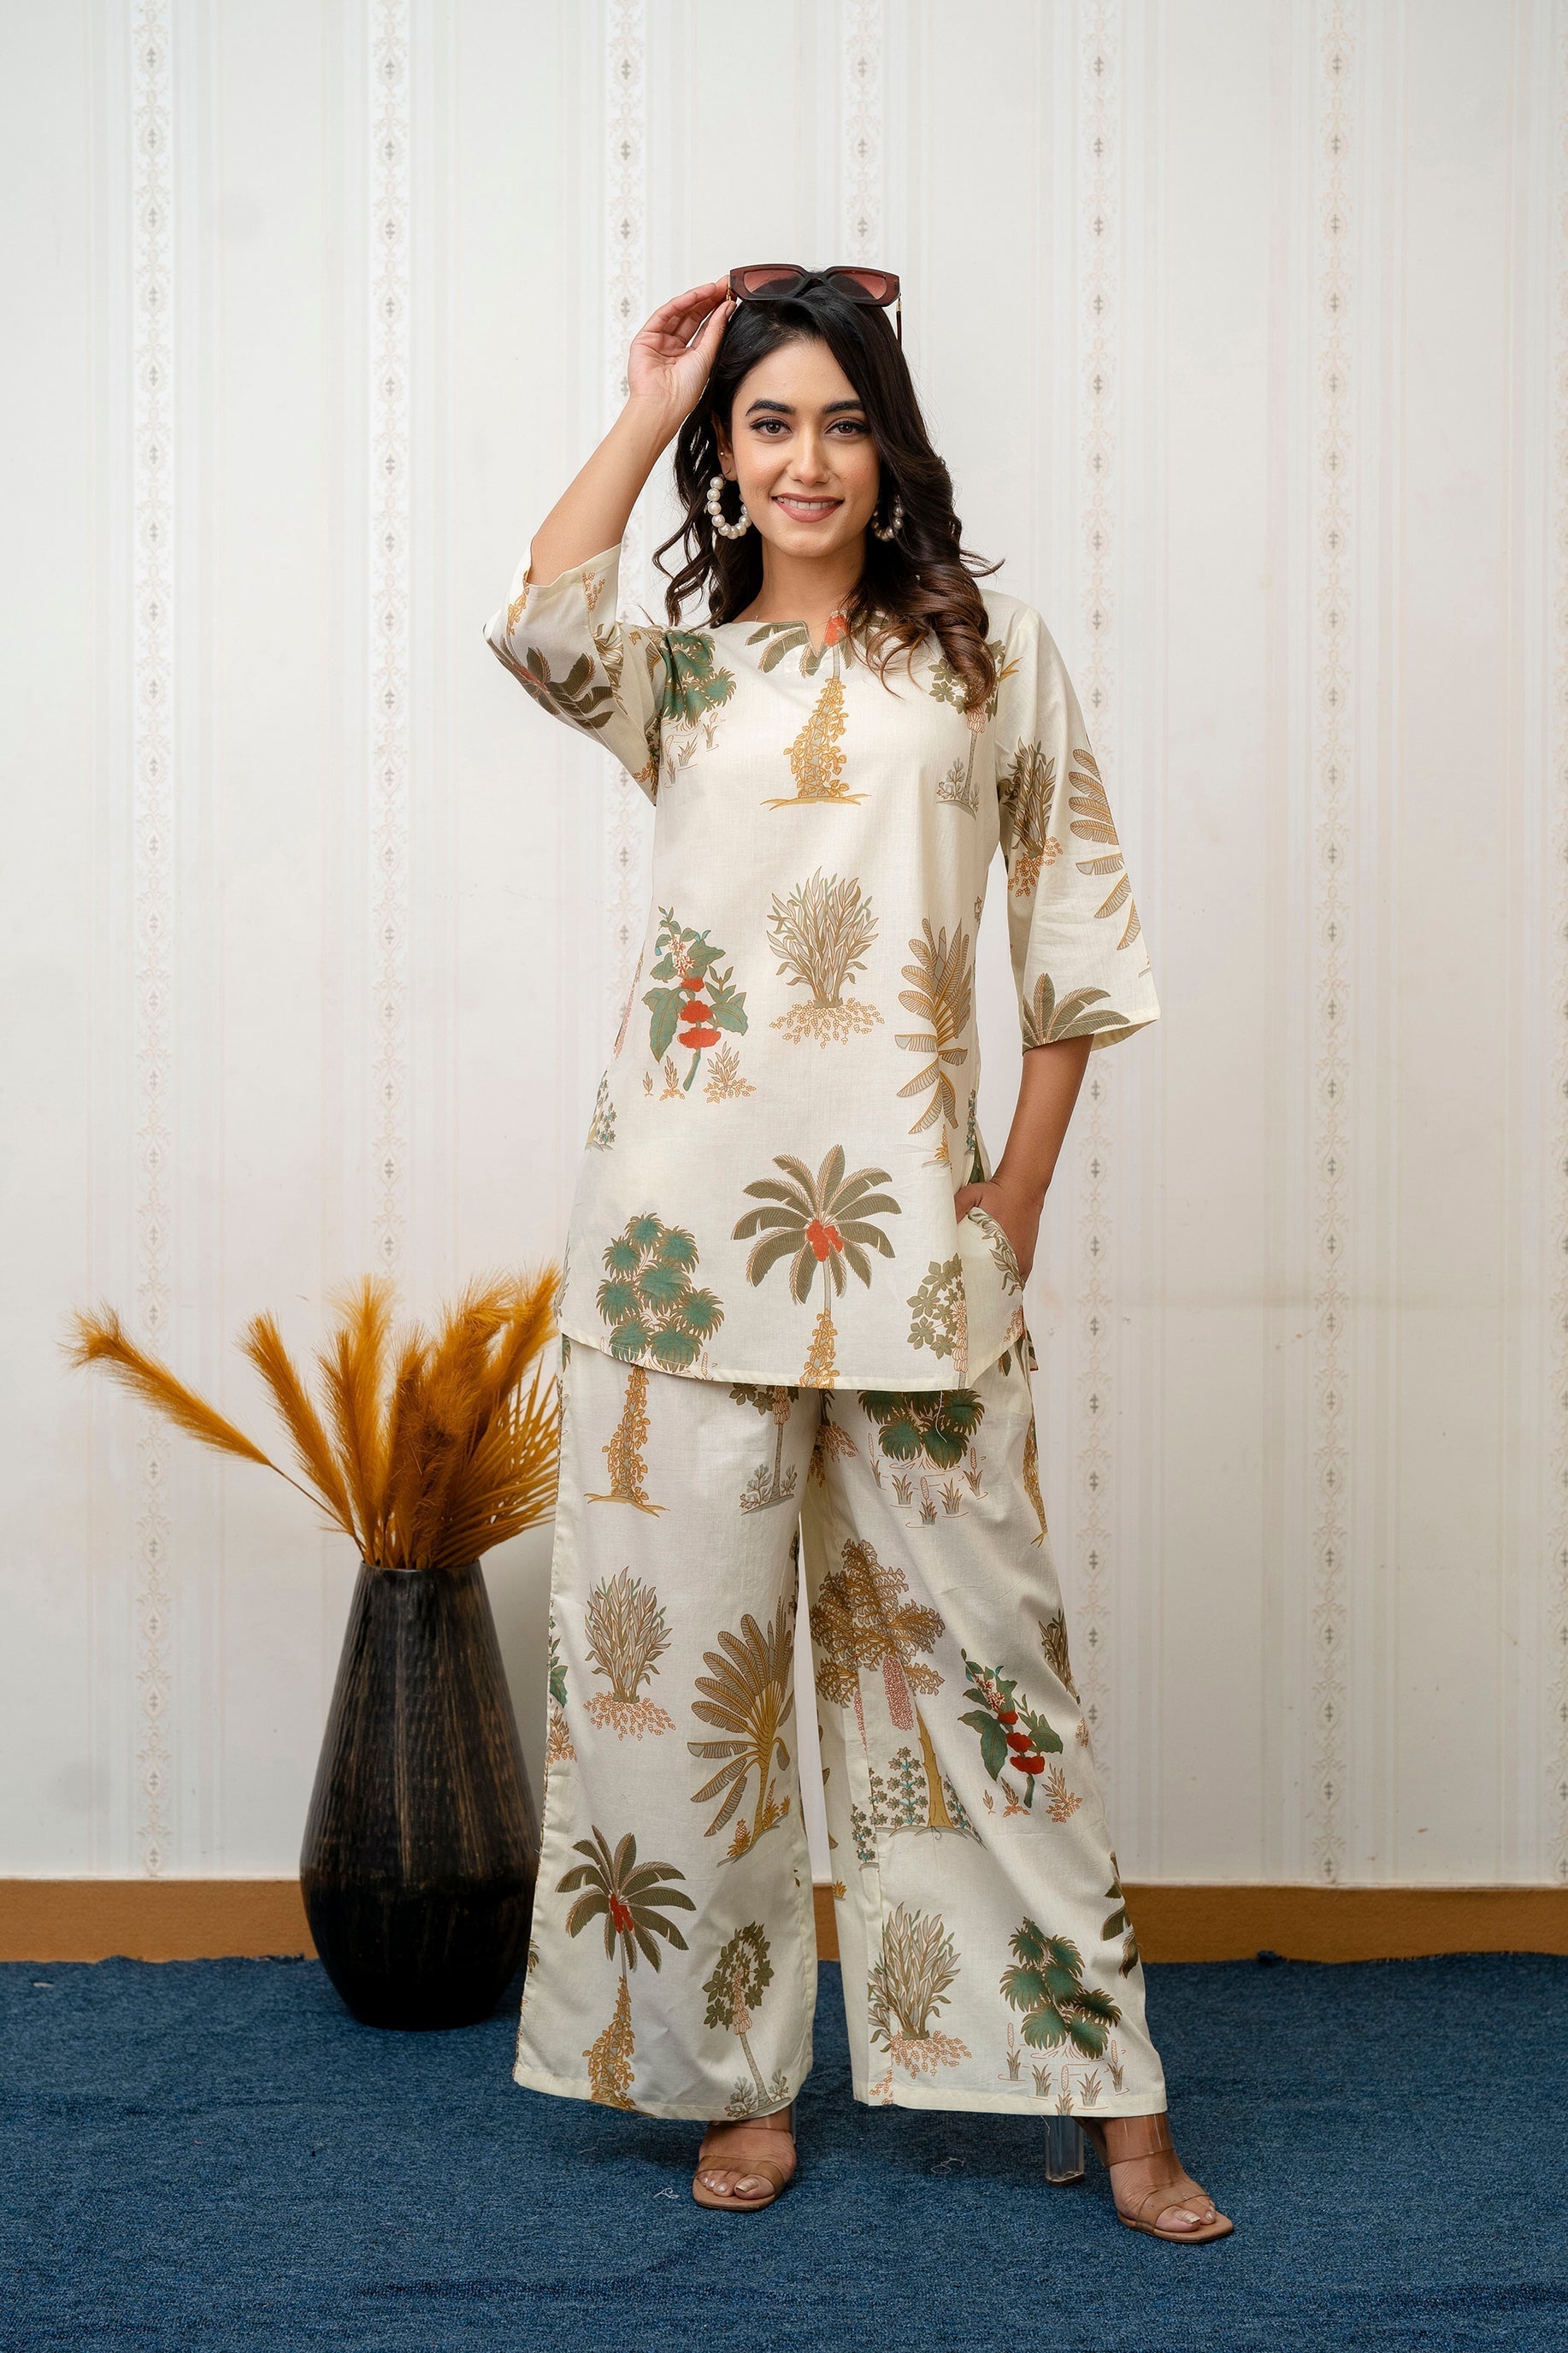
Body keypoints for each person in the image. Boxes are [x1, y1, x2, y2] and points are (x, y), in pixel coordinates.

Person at [481, 268, 1231, 2243]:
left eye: (838, 420)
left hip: (911, 1252)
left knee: (989, 1683)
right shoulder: (681, 671)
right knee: (677, 1706)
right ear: (726, 462)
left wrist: (1015, 1198)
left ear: (887, 446)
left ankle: (1110, 2094)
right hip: (672, 1254)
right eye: (767, 425)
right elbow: (541, 615)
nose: (804, 459)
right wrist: (655, 391)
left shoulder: (984, 658)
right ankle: (734, 2080)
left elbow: (1071, 931)